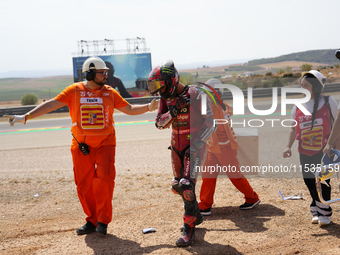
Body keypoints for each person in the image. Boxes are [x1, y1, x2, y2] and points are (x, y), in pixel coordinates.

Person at [4, 56, 158, 236]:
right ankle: (92, 220)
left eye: (105, 73)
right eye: (102, 73)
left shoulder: (110, 92)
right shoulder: (74, 91)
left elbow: (130, 110)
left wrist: (149, 106)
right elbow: (51, 104)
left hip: (105, 144)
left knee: (105, 181)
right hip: (81, 145)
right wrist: (26, 117)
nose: (105, 76)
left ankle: (103, 221)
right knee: (84, 185)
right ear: (90, 73)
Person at [148, 60, 216, 247]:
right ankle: (197, 215)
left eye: (160, 86)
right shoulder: (165, 98)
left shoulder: (196, 94)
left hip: (194, 146)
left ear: (171, 81)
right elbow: (159, 123)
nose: (159, 91)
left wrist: (198, 143)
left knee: (187, 185)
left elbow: (211, 122)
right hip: (175, 147)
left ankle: (189, 230)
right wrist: (173, 111)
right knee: (177, 186)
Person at [283, 70, 338, 226]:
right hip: (305, 150)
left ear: (315, 86)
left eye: (305, 85)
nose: (302, 88)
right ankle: (316, 206)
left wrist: (335, 147)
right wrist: (288, 146)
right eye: (301, 85)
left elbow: (338, 124)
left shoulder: (328, 101)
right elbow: (293, 128)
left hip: (326, 149)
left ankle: (324, 213)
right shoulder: (298, 106)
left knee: (323, 180)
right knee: (309, 180)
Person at [198, 78, 260, 216]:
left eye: (208, 93)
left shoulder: (215, 107)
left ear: (214, 93)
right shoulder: (218, 105)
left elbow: (217, 129)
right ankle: (205, 205)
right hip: (214, 147)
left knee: (235, 175)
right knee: (208, 176)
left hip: (223, 147)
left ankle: (252, 198)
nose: (205, 95)